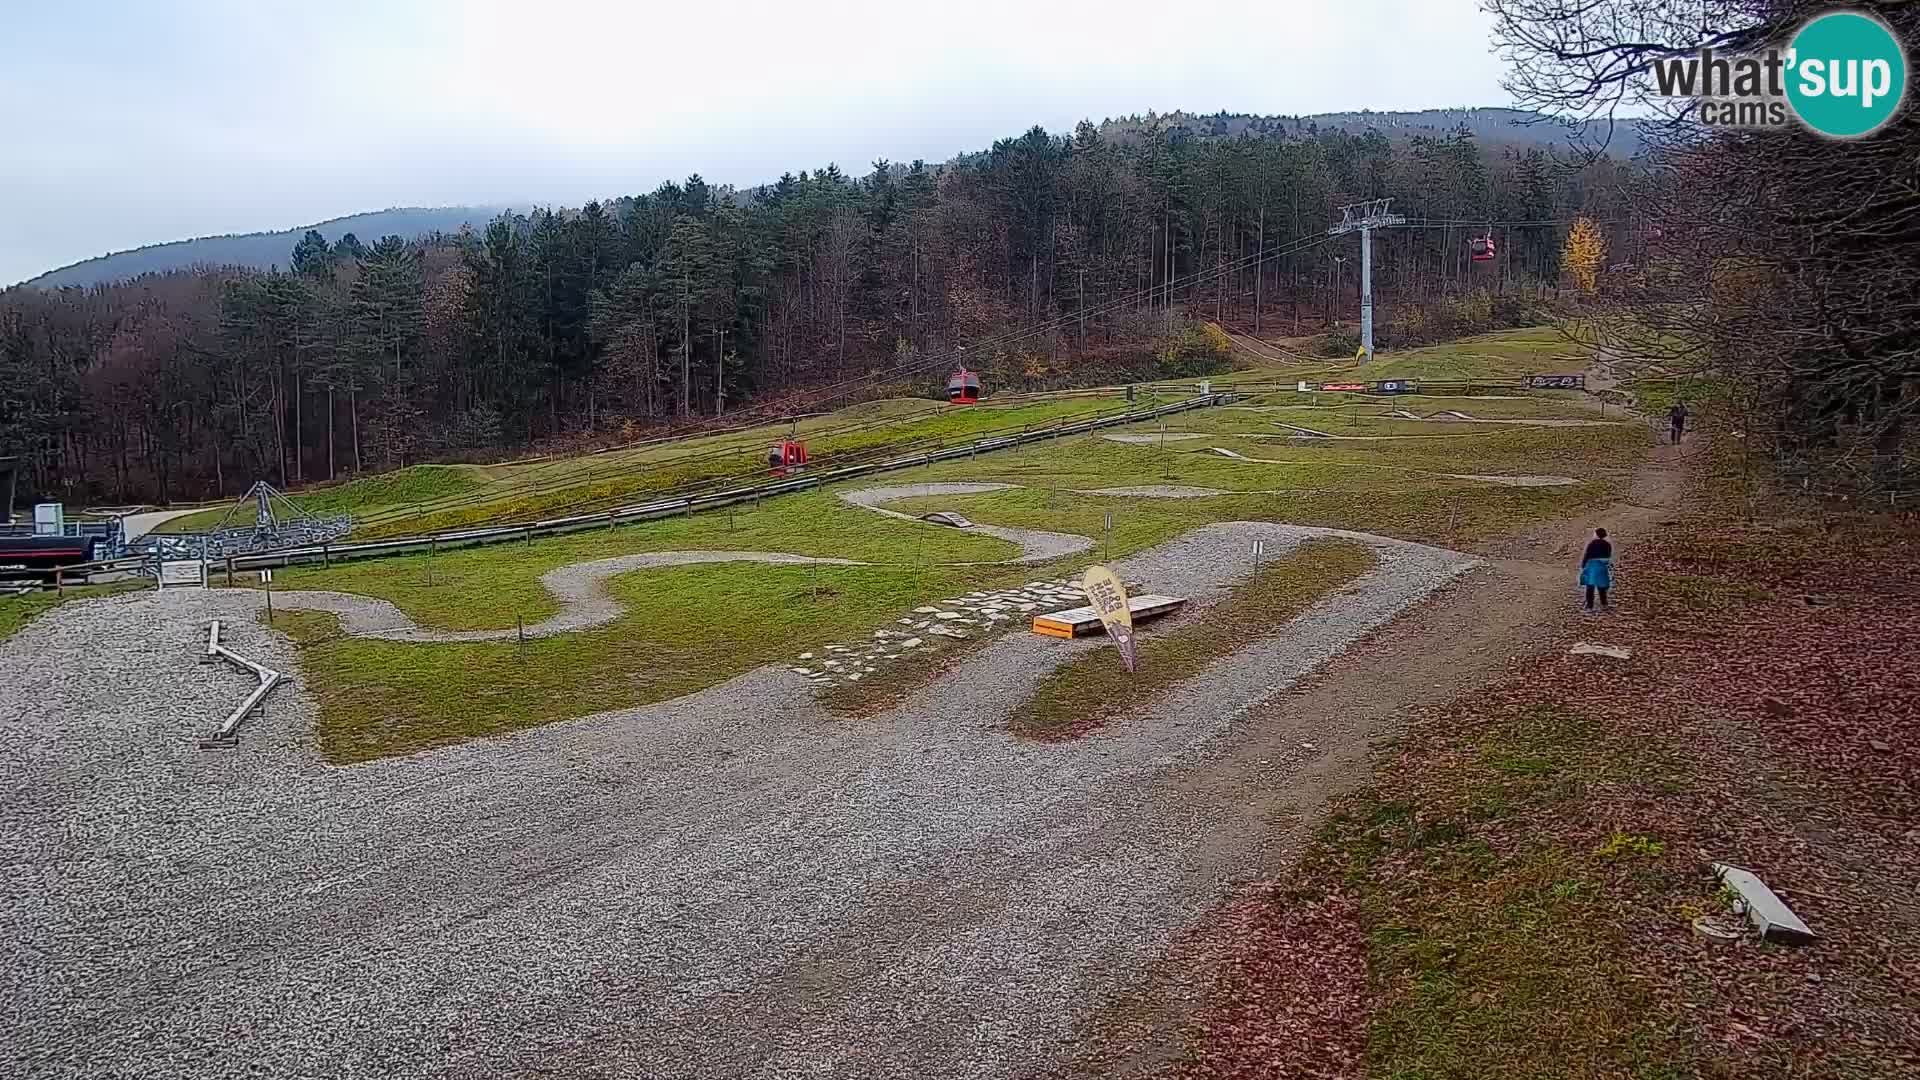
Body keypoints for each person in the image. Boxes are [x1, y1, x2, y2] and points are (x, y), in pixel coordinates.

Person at [1580, 527, 1613, 611]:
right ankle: (1604, 603)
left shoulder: (1592, 543)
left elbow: (1587, 554)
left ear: (1596, 534)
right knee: (1601, 586)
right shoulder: (1607, 544)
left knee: (1590, 586)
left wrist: (1583, 565)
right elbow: (1608, 556)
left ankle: (1589, 605)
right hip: (1602, 566)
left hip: (1592, 565)